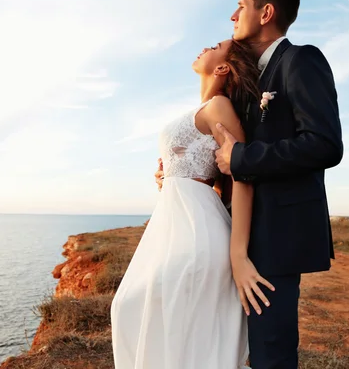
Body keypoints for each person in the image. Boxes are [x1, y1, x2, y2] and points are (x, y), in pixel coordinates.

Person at [111, 38, 273, 368]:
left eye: (215, 45)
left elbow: (243, 178)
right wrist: (171, 177)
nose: (204, 47)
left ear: (222, 67)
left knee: (167, 314)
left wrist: (238, 255)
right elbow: (216, 177)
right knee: (135, 308)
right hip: (176, 220)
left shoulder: (219, 107)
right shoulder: (203, 109)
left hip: (198, 230)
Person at [213, 0, 344, 369]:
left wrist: (242, 159)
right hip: (236, 230)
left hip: (277, 238)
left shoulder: (301, 60)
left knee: (271, 352)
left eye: (242, 4)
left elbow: (324, 144)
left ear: (266, 12)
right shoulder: (250, 79)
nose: (233, 14)